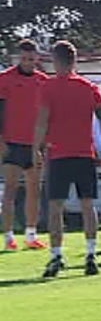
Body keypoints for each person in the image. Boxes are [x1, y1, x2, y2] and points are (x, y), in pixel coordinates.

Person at [31, 41, 101, 278]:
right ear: (75, 60)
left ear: (56, 61)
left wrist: (35, 148)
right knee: (88, 205)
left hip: (59, 154)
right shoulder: (90, 87)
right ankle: (91, 254)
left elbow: (43, 120)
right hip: (84, 153)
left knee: (55, 207)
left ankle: (57, 255)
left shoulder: (48, 87)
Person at [0, 39, 48, 251]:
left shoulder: (44, 81)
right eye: (24, 58)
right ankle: (9, 236)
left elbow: (47, 114)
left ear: (37, 58)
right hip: (11, 142)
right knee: (10, 189)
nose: (28, 62)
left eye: (31, 59)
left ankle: (31, 234)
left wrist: (43, 143)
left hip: (34, 144)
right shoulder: (5, 79)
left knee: (34, 190)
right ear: (19, 57)